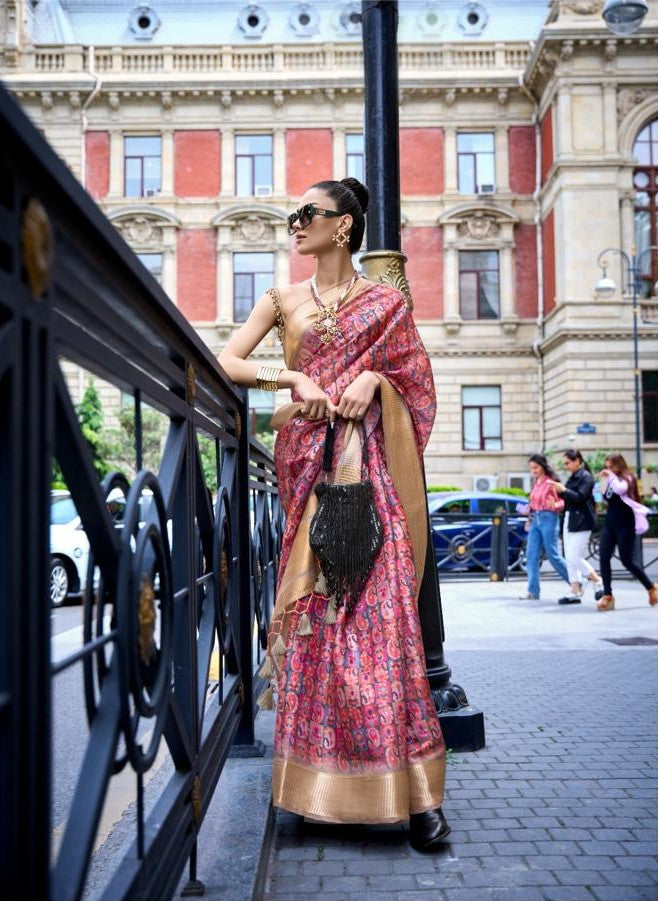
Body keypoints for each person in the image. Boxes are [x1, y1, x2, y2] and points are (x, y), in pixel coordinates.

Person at [218, 177, 449, 850]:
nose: (295, 225)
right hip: (306, 469)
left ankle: (416, 797)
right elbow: (225, 358)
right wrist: (290, 378)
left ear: (342, 225)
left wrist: (375, 380)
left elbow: (417, 384)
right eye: (295, 216)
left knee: (386, 629)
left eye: (306, 215)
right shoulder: (282, 299)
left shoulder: (385, 303)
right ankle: (311, 789)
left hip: (370, 475)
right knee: (316, 624)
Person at [595, 453, 657, 611]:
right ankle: (607, 595)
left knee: (626, 560)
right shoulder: (610, 478)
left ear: (619, 465)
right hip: (610, 522)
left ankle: (651, 587)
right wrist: (601, 480)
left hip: (626, 523)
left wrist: (610, 476)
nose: (609, 470)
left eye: (612, 466)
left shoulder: (627, 477)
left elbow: (621, 489)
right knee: (603, 556)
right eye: (607, 467)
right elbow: (601, 496)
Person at [548, 449, 603, 605]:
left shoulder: (586, 477)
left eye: (568, 463)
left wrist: (563, 490)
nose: (566, 466)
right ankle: (575, 590)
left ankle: (597, 580)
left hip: (582, 520)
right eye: (564, 463)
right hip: (569, 518)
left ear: (577, 460)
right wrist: (558, 493)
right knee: (569, 557)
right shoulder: (573, 477)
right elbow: (569, 498)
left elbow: (580, 497)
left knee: (573, 556)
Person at [519, 453, 571, 600]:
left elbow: (564, 502)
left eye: (535, 467)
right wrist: (527, 509)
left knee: (553, 555)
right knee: (531, 555)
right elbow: (534, 502)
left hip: (549, 518)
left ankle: (576, 582)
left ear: (542, 466)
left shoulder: (551, 482)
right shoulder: (536, 482)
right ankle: (533, 591)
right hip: (536, 519)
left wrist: (555, 505)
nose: (533, 470)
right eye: (531, 468)